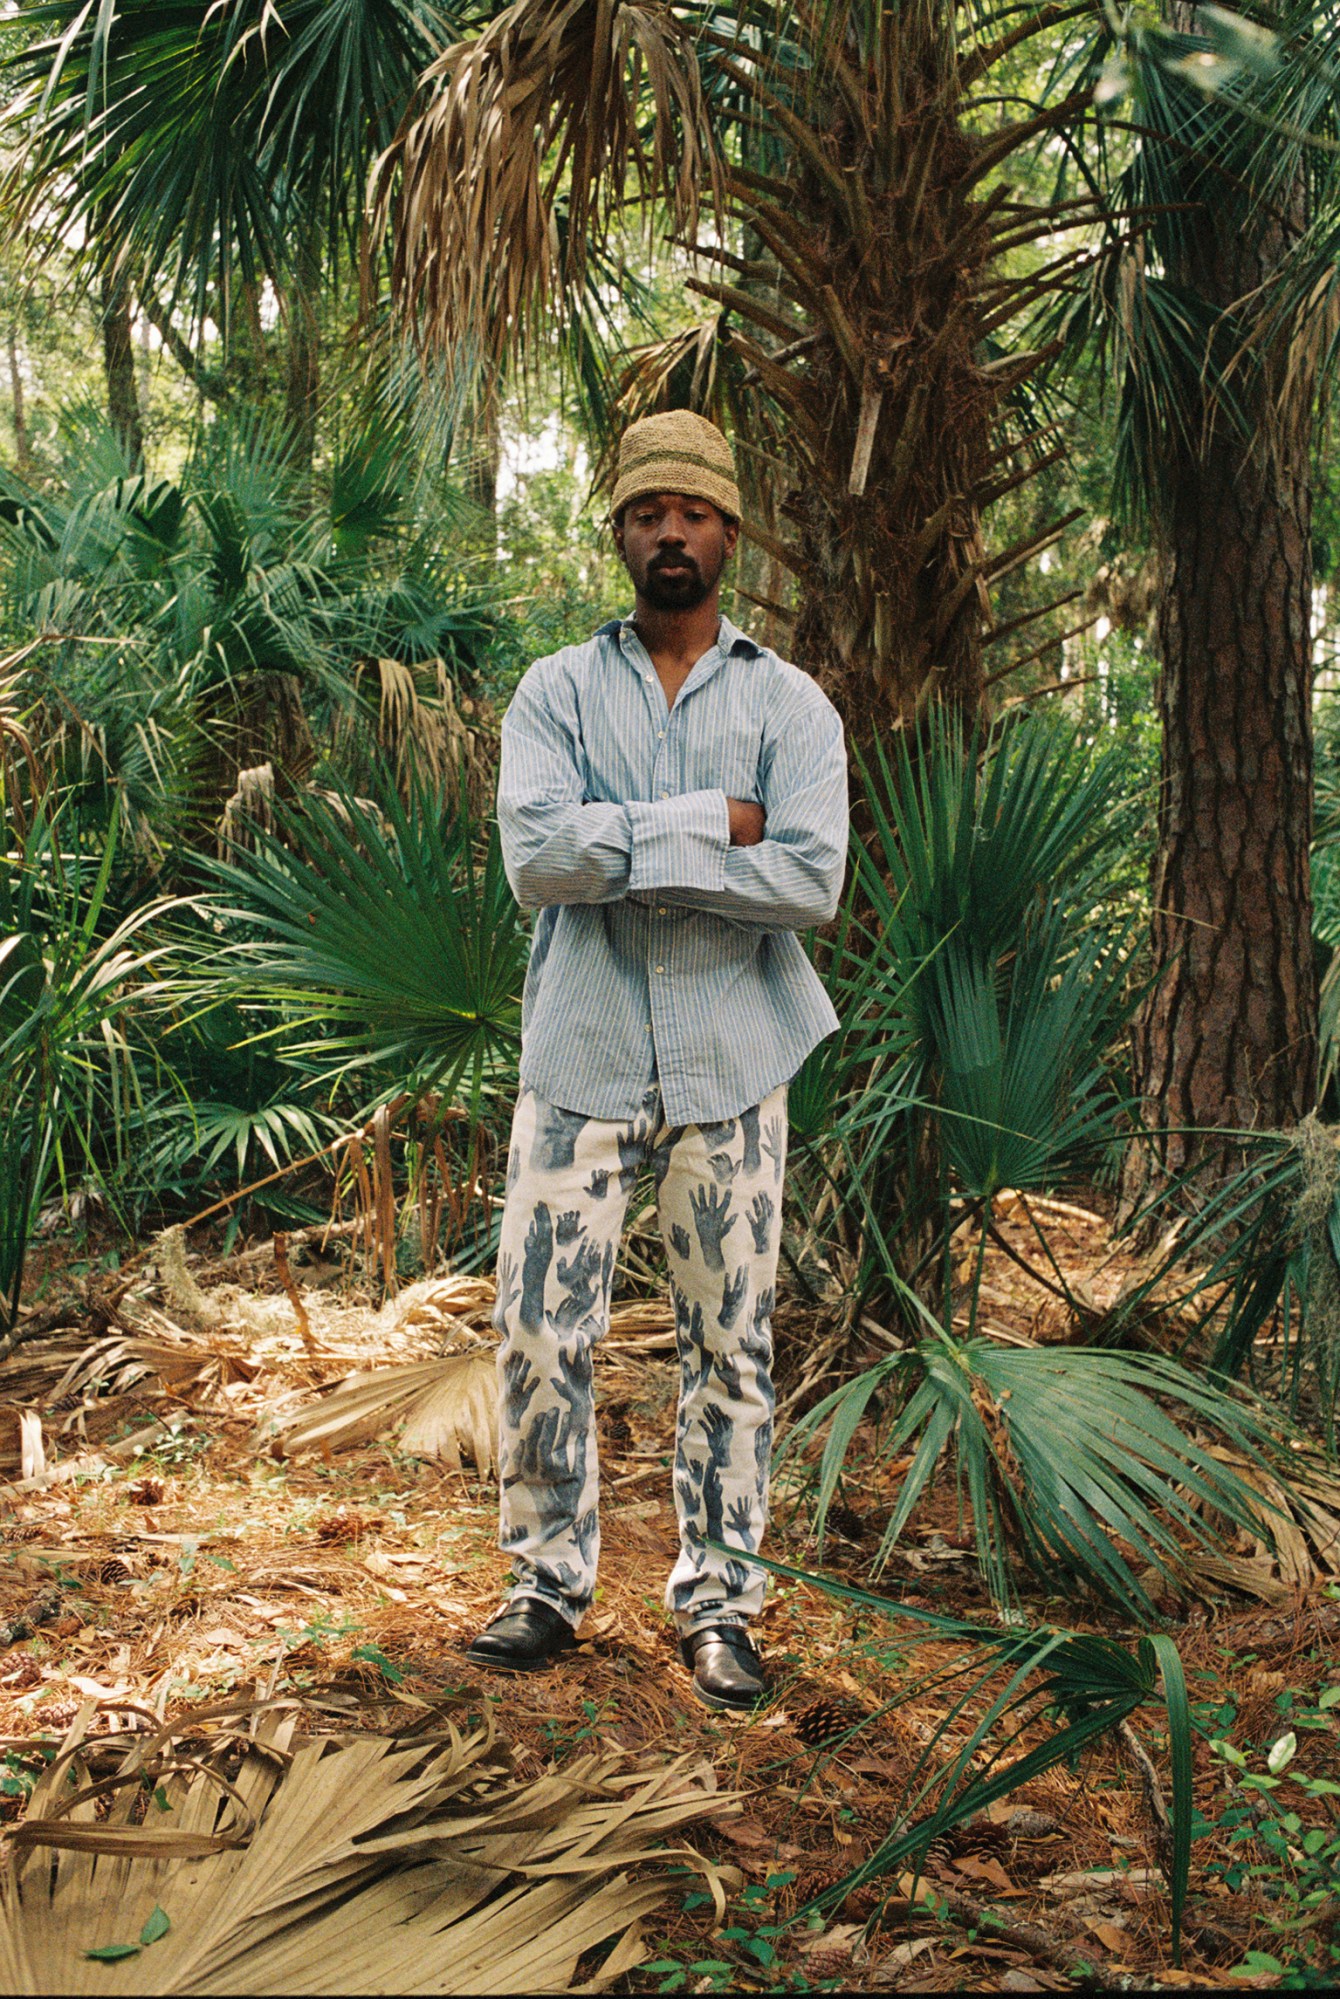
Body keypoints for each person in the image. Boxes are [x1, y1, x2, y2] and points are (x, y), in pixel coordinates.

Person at [465, 409, 849, 1711]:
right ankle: (544, 1586)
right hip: (581, 1055)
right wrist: (706, 826)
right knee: (536, 1328)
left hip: (733, 1066)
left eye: (691, 512)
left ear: (729, 531)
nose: (669, 532)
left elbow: (807, 877)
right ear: (620, 532)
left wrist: (623, 839)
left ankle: (722, 1605)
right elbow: (538, 861)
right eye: (645, 513)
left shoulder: (788, 704)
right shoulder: (555, 693)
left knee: (728, 1345)